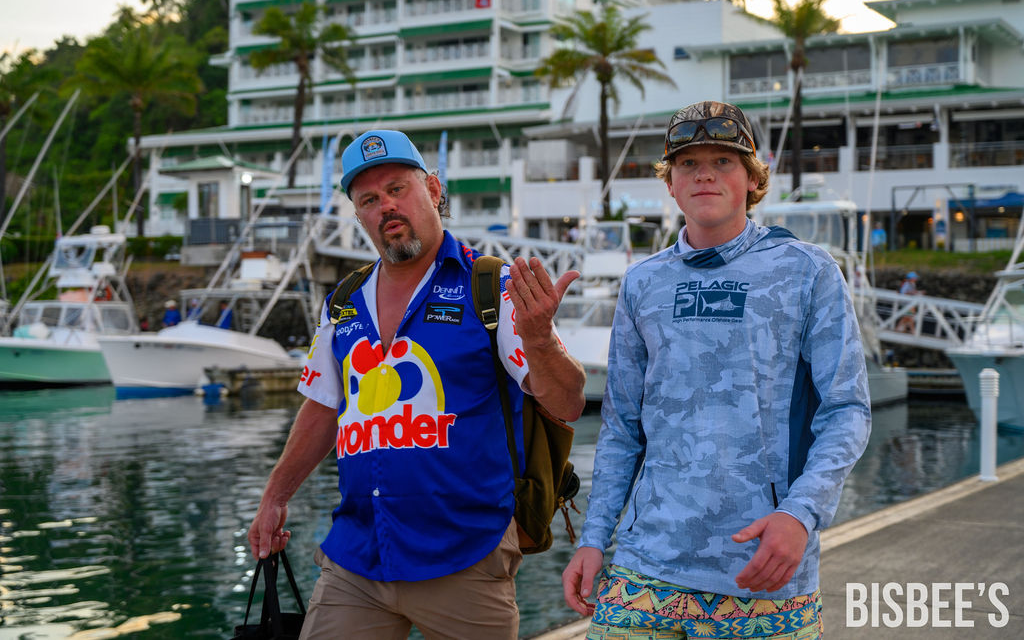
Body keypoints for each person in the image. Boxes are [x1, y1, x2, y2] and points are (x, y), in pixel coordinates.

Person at [248, 129, 586, 639]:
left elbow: (568, 402)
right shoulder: (343, 302)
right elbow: (322, 407)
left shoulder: (490, 285)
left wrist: (539, 339)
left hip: (465, 553)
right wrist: (274, 496)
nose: (386, 206)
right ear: (358, 215)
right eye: (369, 199)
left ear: (432, 189)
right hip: (357, 556)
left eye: (397, 189)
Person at [562, 101, 871, 639]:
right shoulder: (642, 283)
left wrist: (801, 513)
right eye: (688, 163)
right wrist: (593, 537)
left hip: (764, 570)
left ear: (753, 178)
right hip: (644, 567)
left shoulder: (808, 270)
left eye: (723, 161)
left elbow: (847, 410)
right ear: (671, 184)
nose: (704, 174)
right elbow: (621, 428)